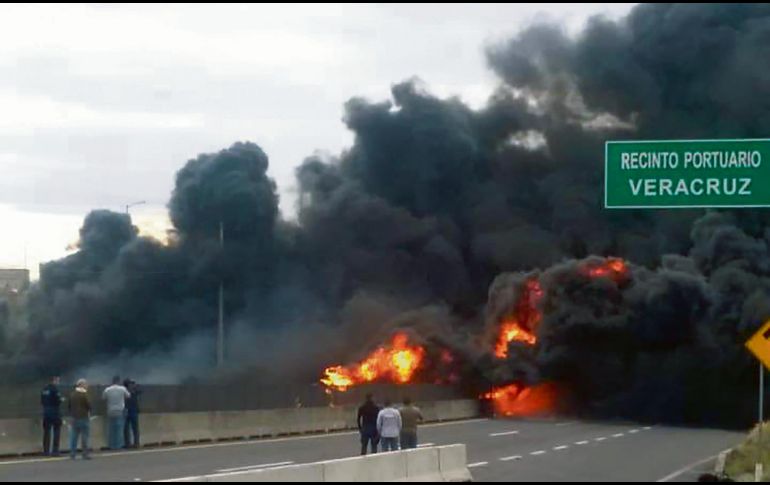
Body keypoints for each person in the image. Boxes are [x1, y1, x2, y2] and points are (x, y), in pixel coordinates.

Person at [102, 376, 130, 450]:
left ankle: (111, 445)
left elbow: (103, 397)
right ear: (118, 381)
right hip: (120, 410)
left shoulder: (107, 389)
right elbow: (128, 396)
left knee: (111, 430)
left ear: (112, 381)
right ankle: (119, 446)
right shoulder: (122, 389)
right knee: (120, 429)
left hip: (110, 411)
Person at [68, 379, 91, 460]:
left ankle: (72, 453)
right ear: (81, 385)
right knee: (85, 436)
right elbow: (88, 405)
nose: (87, 386)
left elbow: (69, 406)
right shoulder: (84, 394)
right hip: (83, 417)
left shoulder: (72, 394)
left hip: (74, 418)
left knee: (74, 437)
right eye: (85, 384)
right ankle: (85, 454)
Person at [41, 376, 63, 457]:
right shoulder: (55, 389)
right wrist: (61, 400)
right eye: (57, 380)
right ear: (54, 380)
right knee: (56, 431)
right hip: (55, 412)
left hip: (46, 412)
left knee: (46, 432)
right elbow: (58, 400)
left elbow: (42, 401)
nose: (58, 382)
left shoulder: (44, 389)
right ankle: (55, 450)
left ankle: (46, 451)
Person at [123, 379, 141, 449]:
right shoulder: (126, 391)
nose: (132, 385)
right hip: (130, 411)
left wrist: (135, 386)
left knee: (131, 428)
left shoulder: (132, 391)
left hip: (130, 410)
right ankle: (131, 443)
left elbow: (140, 391)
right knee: (130, 428)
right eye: (130, 384)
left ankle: (133, 443)